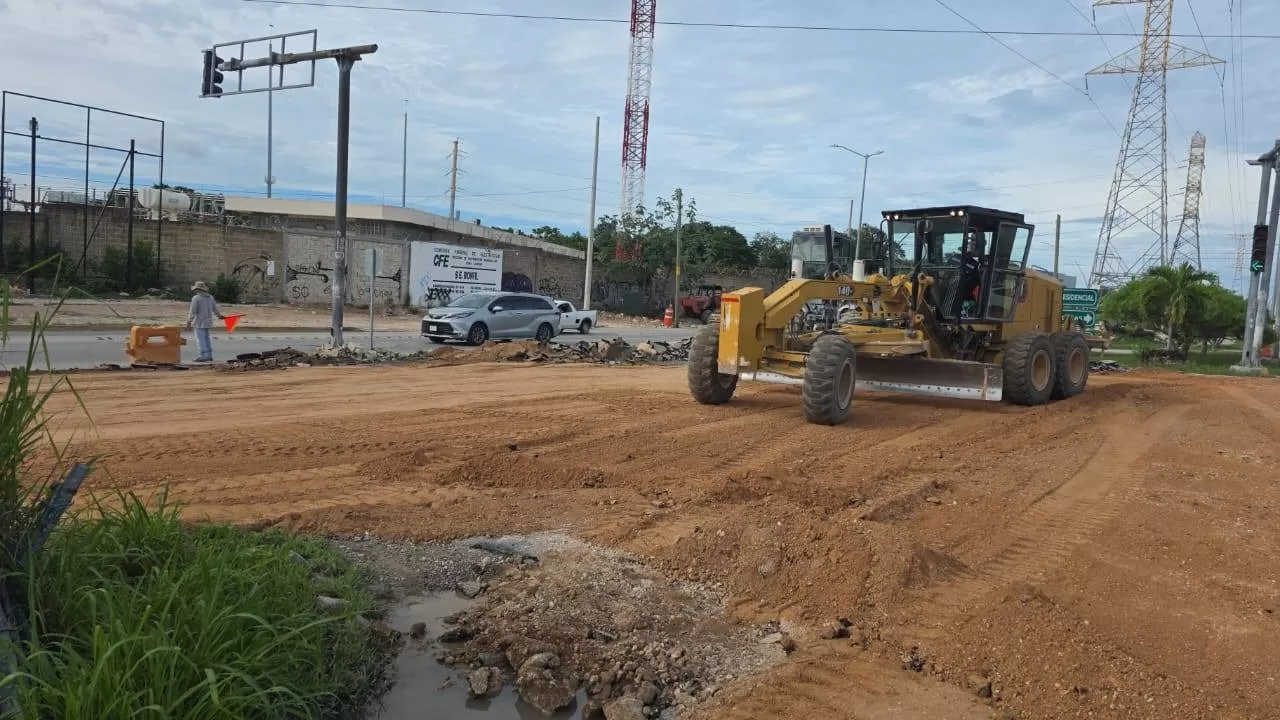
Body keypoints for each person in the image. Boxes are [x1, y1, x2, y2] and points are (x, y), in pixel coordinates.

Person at [185, 281, 225, 363]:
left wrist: (189, 320)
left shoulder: (196, 298)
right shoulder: (210, 297)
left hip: (199, 322)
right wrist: (219, 315)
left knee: (200, 340)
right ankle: (209, 355)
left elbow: (193, 311)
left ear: (197, 289)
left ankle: (203, 356)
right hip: (208, 322)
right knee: (206, 339)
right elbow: (215, 309)